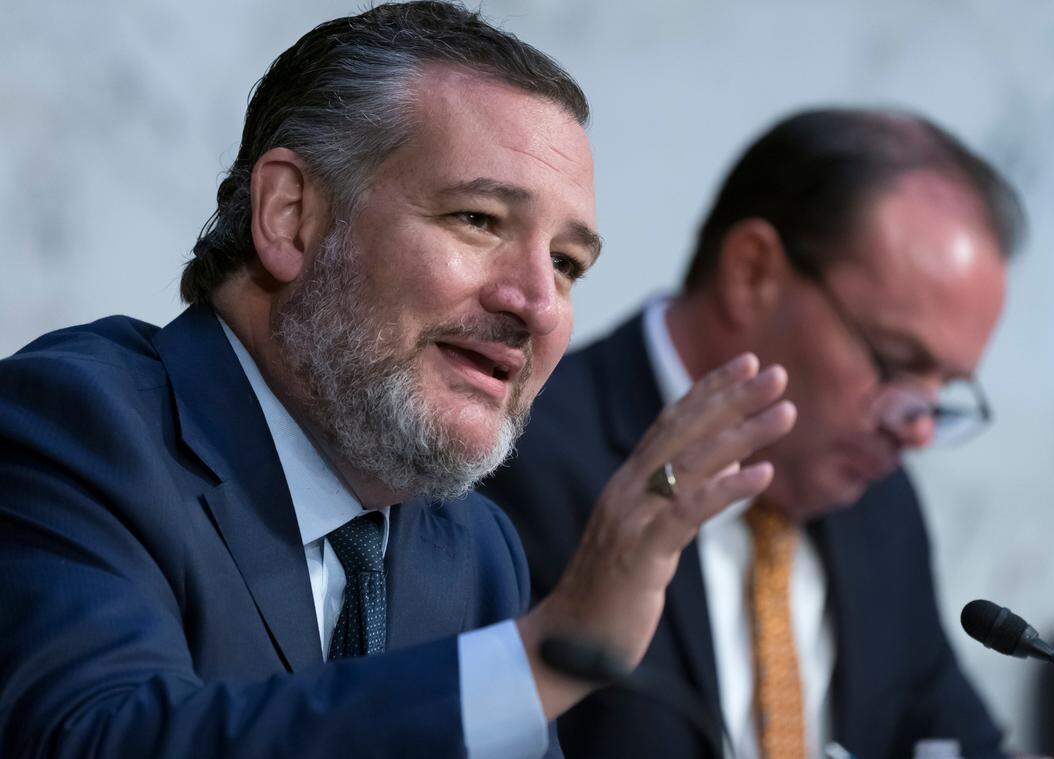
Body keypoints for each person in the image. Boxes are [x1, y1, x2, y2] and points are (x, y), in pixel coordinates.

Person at [0, 4, 797, 757]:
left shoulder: (475, 549)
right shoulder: (74, 427)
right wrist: (540, 659)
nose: (536, 303)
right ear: (290, 216)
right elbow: (101, 739)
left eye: (565, 263)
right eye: (478, 219)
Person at [482, 108, 1027, 759]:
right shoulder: (516, 457)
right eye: (894, 362)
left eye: (945, 392)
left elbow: (947, 728)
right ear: (752, 273)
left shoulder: (880, 503)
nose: (917, 428)